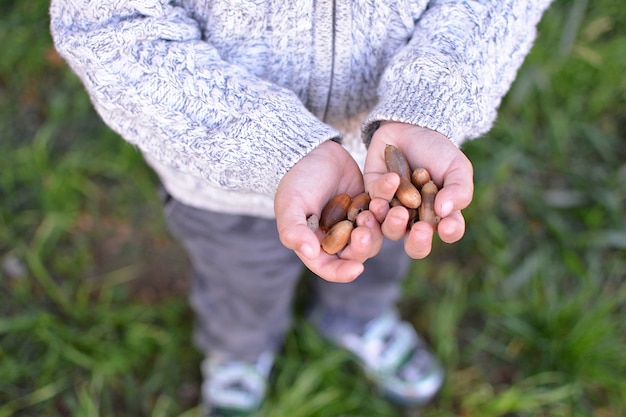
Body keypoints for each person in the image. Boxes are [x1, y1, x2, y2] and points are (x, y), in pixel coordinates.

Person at [50, 1, 552, 415]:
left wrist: (427, 100)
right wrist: (276, 144)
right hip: (222, 178)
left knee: (376, 256)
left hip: (374, 180)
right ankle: (240, 351)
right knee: (240, 281)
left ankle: (358, 317)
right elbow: (106, 26)